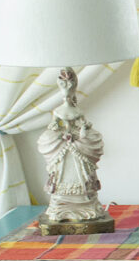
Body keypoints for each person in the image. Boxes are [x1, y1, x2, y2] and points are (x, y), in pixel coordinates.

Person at [37, 68, 107, 222]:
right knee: (62, 172)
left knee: (81, 171)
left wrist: (82, 131)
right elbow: (54, 126)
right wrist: (60, 134)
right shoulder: (58, 111)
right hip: (64, 145)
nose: (67, 96)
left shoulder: (78, 111)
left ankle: (85, 203)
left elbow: (83, 125)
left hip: (77, 144)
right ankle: (61, 204)